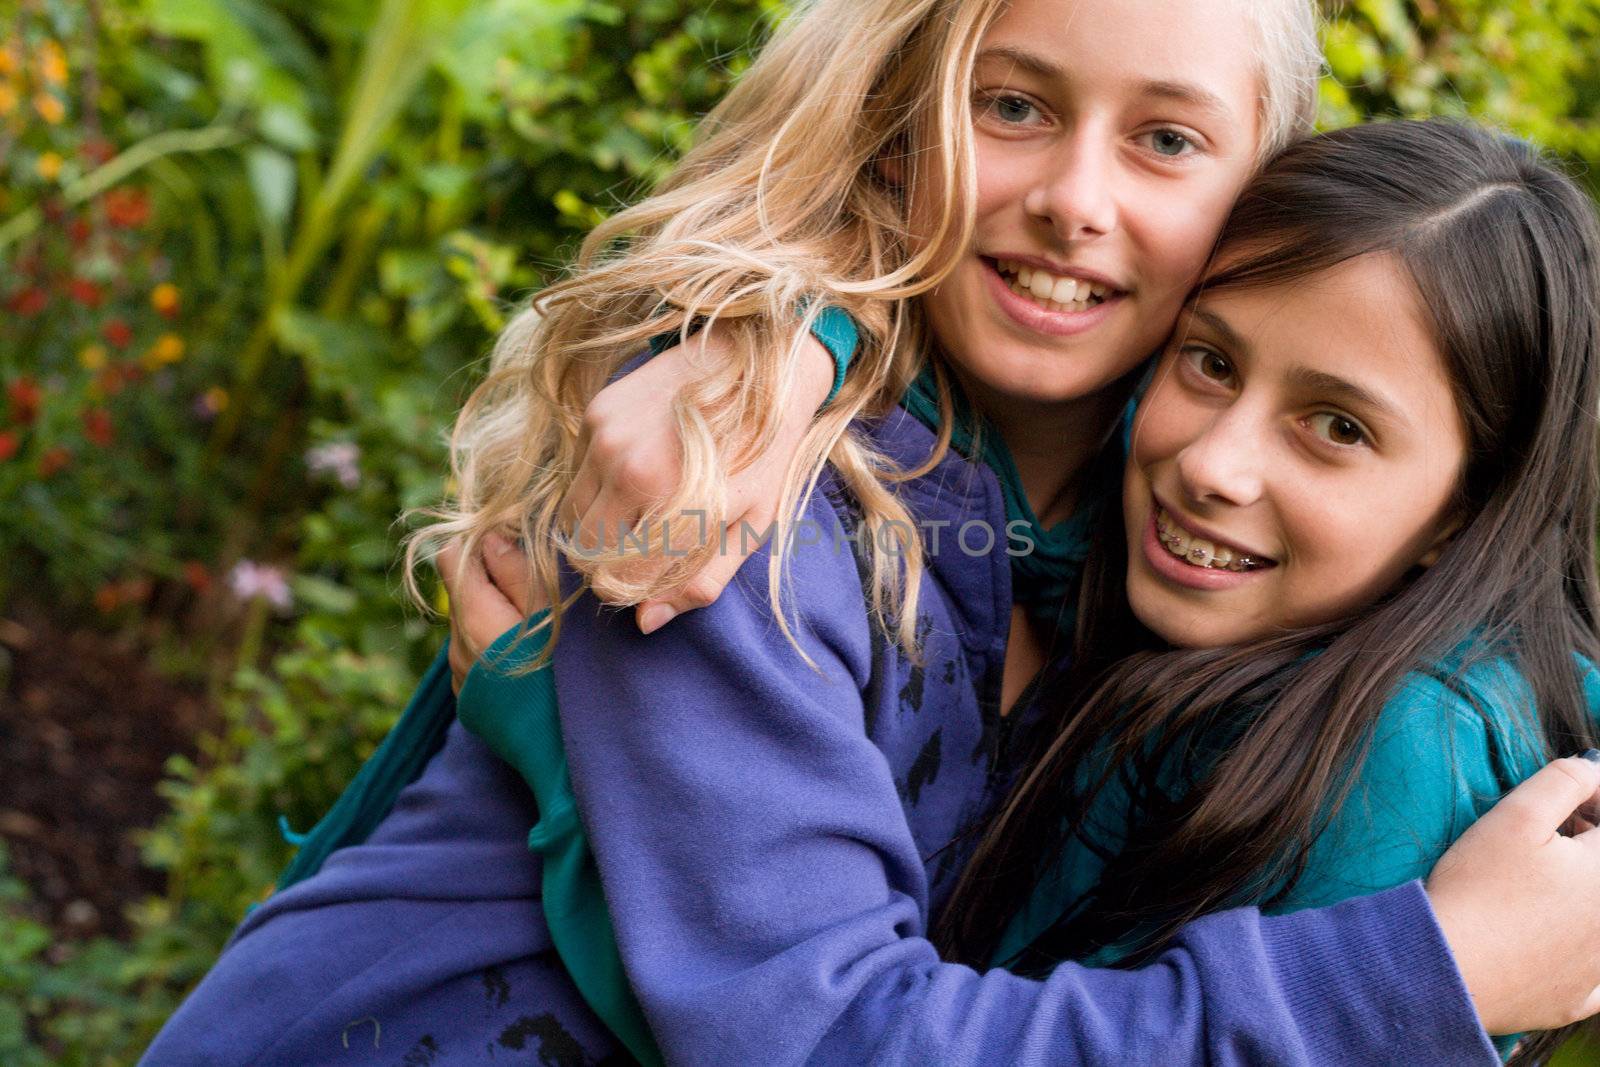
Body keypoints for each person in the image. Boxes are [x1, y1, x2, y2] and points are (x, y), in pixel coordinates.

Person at [142, 1, 1600, 1064]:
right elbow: (823, 1036)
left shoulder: (1154, 537)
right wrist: (1432, 974)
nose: (1076, 202)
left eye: (1166, 138)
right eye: (1010, 105)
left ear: (1251, 193)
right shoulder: (732, 494)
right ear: (896, 126)